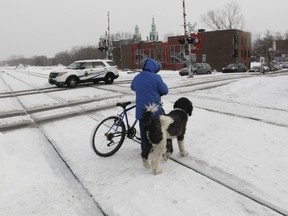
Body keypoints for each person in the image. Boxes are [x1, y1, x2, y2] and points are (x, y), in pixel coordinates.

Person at [130, 58, 169, 156]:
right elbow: (165, 91)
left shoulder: (137, 77)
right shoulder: (156, 77)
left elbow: (132, 87)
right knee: (160, 129)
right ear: (154, 68)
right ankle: (161, 148)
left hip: (141, 111)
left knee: (143, 132)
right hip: (154, 111)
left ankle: (145, 151)